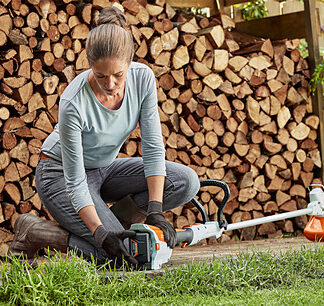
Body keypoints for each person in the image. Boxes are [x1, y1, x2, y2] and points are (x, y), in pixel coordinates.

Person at [9, 6, 200, 267]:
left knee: (185, 182)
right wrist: (101, 235)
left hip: (103, 169)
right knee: (114, 256)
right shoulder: (73, 102)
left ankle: (114, 227)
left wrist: (155, 210)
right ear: (90, 65)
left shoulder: (143, 78)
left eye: (118, 75)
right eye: (100, 76)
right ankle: (34, 231)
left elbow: (154, 147)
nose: (110, 84)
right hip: (59, 174)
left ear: (129, 62)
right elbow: (75, 182)